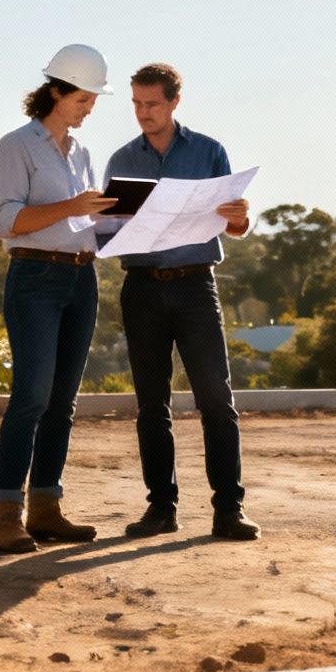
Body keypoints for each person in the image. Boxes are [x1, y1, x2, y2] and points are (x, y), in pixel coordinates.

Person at [102, 62, 259, 541]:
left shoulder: (209, 152)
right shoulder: (121, 160)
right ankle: (161, 509)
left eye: (151, 103)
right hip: (142, 288)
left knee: (216, 399)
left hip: (196, 287)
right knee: (152, 404)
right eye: (135, 103)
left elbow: (234, 226)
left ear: (173, 102)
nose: (142, 112)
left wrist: (238, 217)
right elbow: (107, 233)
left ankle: (228, 509)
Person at [0, 43, 118, 553]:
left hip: (83, 280)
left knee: (63, 402)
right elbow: (5, 221)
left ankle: (45, 507)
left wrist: (111, 219)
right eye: (84, 99)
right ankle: (4, 514)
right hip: (35, 279)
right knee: (32, 396)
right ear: (56, 92)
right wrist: (71, 206)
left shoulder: (80, 153)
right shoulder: (14, 147)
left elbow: (80, 220)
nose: (90, 108)